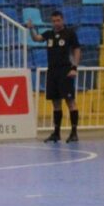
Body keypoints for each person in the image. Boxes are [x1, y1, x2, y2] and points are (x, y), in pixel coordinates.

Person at [26, 10, 81, 143]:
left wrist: (74, 67)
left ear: (63, 20)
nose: (56, 23)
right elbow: (36, 39)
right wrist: (31, 29)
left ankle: (74, 133)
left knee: (70, 102)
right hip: (52, 72)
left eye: (58, 20)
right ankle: (56, 133)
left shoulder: (69, 34)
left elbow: (77, 50)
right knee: (56, 103)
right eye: (54, 21)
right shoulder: (49, 34)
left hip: (65, 71)